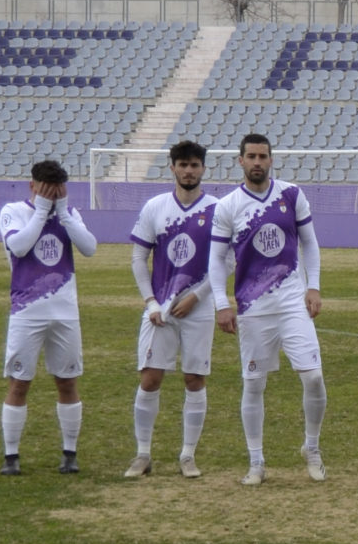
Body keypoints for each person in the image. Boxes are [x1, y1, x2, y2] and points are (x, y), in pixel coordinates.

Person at [210, 134, 326, 485]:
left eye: (263, 156)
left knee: (314, 377)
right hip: (252, 307)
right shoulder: (228, 205)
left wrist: (314, 286)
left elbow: (310, 242)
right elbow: (215, 259)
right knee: (254, 384)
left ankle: (312, 447)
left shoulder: (291, 194)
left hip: (292, 302)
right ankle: (256, 461)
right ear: (240, 161)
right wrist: (220, 304)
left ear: (271, 160)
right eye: (251, 156)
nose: (257, 161)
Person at [0, 159, 97, 476]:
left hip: (65, 312)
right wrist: (41, 211)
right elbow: (19, 246)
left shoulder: (69, 216)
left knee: (67, 381)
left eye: (57, 190)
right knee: (19, 381)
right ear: (33, 186)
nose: (51, 196)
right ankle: (11, 455)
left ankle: (70, 453)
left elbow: (90, 248)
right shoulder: (13, 211)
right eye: (45, 189)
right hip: (27, 312)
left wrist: (64, 213)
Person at [126, 139, 217, 479]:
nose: (189, 170)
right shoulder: (155, 207)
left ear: (203, 169)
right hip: (160, 308)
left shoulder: (217, 209)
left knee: (195, 379)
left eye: (195, 165)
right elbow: (138, 257)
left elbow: (228, 259)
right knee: (150, 379)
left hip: (199, 308)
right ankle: (143, 454)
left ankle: (188, 455)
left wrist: (199, 296)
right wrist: (150, 302)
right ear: (173, 167)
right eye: (183, 165)